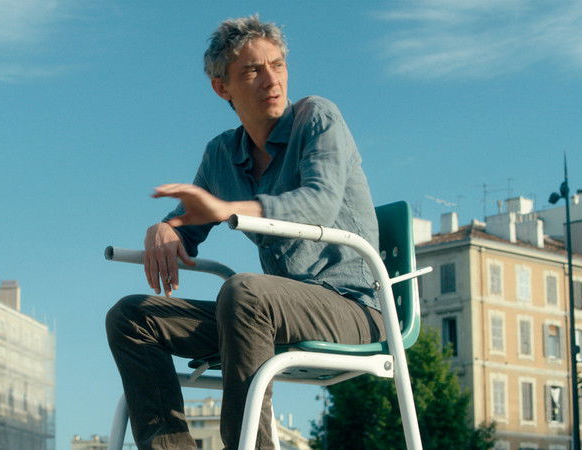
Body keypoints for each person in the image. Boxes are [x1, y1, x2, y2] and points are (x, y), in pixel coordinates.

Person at [106, 15, 383, 449]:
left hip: (353, 308)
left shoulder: (318, 117)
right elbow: (188, 223)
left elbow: (318, 204)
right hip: (265, 315)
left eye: (278, 65)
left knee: (244, 291)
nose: (272, 80)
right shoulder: (222, 154)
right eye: (253, 70)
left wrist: (228, 209)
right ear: (222, 87)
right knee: (132, 317)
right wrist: (164, 229)